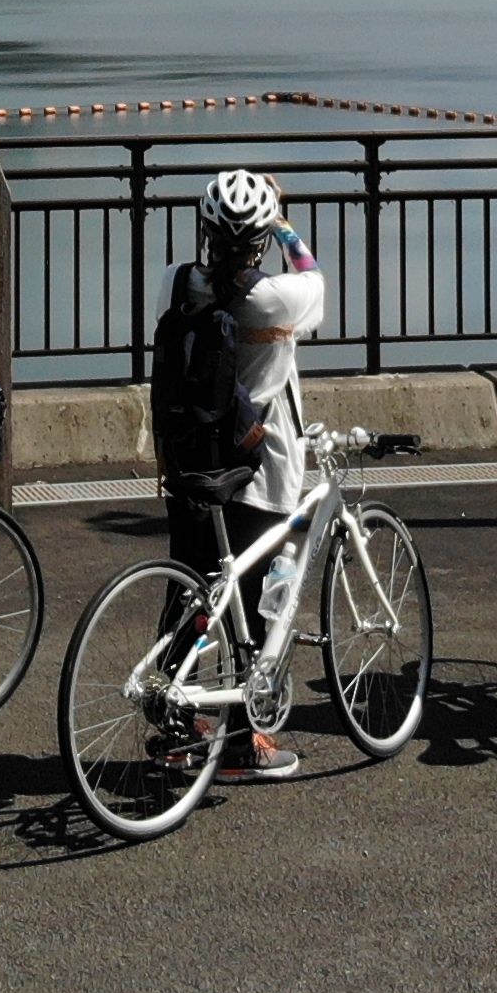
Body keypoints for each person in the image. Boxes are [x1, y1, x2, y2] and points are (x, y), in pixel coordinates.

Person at [148, 169, 328, 783]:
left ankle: (175, 732)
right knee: (246, 606)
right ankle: (241, 744)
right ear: (256, 240)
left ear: (205, 229)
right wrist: (285, 223)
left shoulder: (175, 282)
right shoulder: (277, 298)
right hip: (259, 463)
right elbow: (314, 276)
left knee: (190, 593)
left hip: (187, 456)